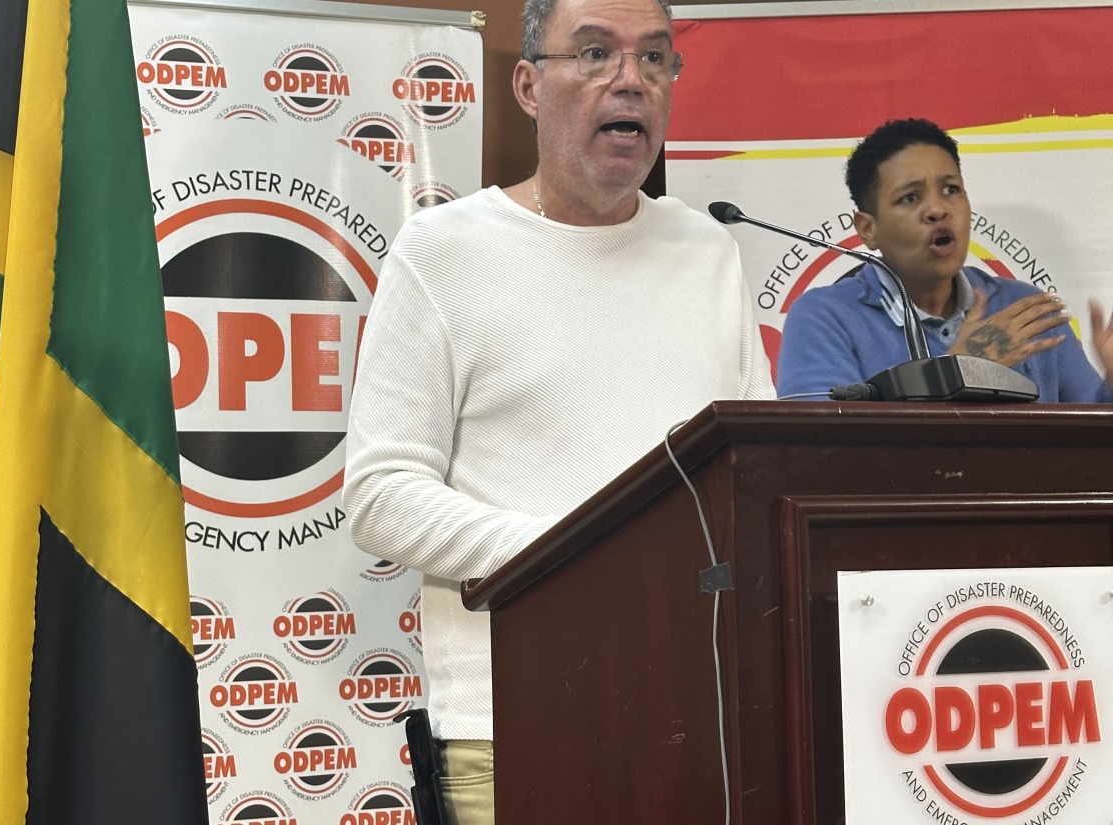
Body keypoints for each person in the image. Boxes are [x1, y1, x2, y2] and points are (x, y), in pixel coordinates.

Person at [343, 0, 774, 821]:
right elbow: (380, 494)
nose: (632, 81)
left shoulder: (708, 248)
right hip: (513, 722)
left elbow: (752, 472)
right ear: (529, 85)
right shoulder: (444, 253)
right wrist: (577, 551)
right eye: (595, 54)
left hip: (698, 712)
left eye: (655, 59)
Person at [776, 118, 1113, 401]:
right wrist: (957, 372)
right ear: (868, 229)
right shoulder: (824, 318)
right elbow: (818, 454)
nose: (938, 209)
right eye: (910, 197)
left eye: (951, 189)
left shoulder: (1021, 307)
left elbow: (1092, 438)